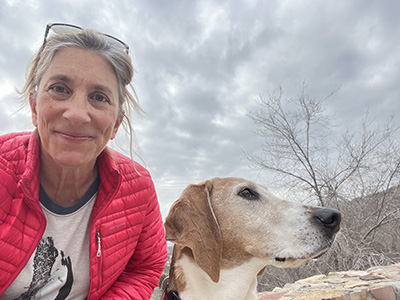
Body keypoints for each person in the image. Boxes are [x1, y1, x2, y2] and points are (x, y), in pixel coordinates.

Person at [0, 23, 167, 299]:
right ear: (34, 106)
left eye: (99, 97)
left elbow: (145, 267)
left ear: (115, 125)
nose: (77, 114)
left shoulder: (139, 188)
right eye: (60, 89)